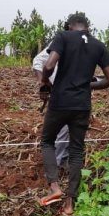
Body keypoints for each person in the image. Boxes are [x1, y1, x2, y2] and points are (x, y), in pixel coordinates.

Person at [39, 14, 109, 215]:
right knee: (76, 150)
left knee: (47, 141)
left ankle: (54, 187)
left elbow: (48, 65)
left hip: (60, 101)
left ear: (70, 25)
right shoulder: (98, 45)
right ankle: (70, 204)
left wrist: (45, 81)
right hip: (82, 105)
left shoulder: (63, 37)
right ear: (87, 27)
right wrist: (86, 85)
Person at [32, 25, 69, 168]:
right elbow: (38, 62)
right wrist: (43, 82)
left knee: (67, 130)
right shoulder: (58, 44)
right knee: (62, 130)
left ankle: (63, 160)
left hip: (73, 93)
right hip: (60, 92)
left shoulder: (80, 46)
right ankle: (57, 165)